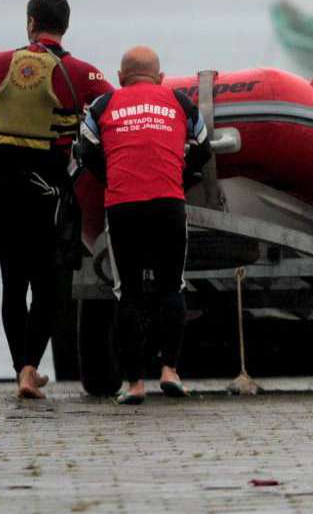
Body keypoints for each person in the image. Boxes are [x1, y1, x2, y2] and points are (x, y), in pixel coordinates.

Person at [0, 0, 113, 399]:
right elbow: (111, 107)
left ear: (30, 23)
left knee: (11, 282)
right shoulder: (82, 72)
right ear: (66, 26)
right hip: (48, 193)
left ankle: (21, 366)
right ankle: (29, 368)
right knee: (49, 285)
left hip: (2, 189)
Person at [76, 46, 211, 405]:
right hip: (168, 202)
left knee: (129, 293)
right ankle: (169, 370)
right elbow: (203, 145)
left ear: (120, 78)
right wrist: (182, 176)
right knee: (172, 287)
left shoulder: (104, 105)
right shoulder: (179, 102)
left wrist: (111, 177)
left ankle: (134, 383)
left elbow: (85, 149)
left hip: (123, 205)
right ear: (161, 77)